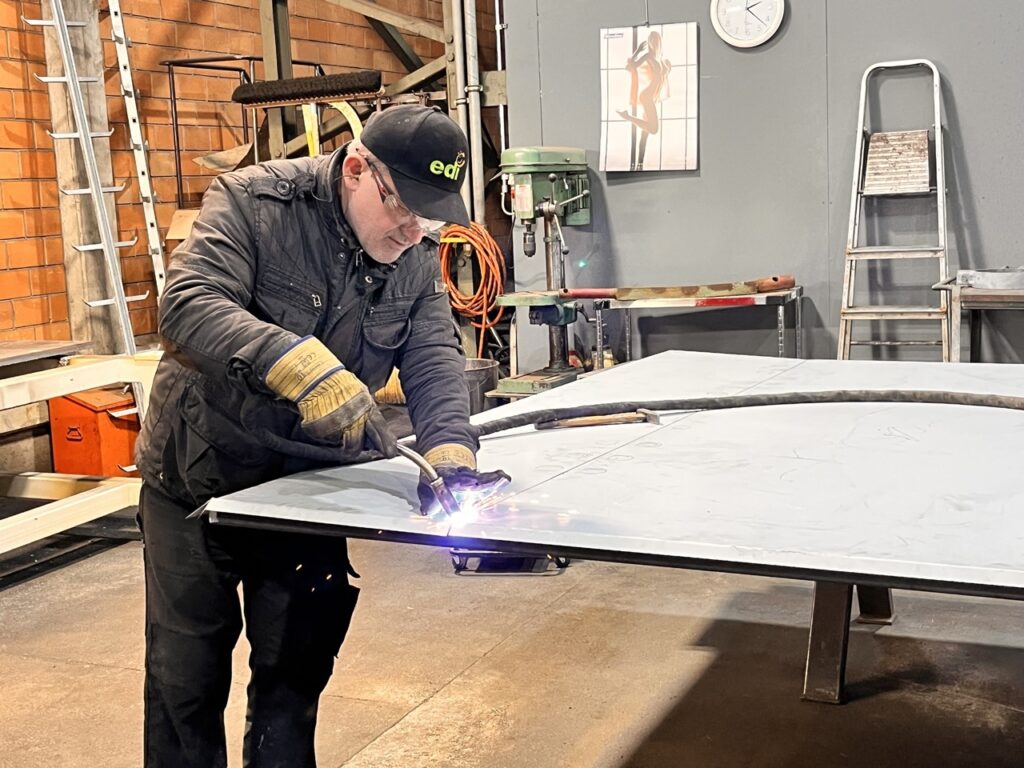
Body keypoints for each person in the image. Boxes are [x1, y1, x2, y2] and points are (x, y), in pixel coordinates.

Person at [135, 104, 510, 768]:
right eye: (403, 208)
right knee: (186, 680)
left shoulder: (415, 251)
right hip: (202, 474)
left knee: (295, 673)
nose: (413, 231)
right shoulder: (254, 203)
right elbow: (188, 306)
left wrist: (451, 452)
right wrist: (298, 364)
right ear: (359, 169)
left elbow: (431, 355)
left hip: (308, 488)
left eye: (429, 218)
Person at [617, 29, 672, 170]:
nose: (652, 42)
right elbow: (630, 67)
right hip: (646, 96)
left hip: (651, 98)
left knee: (645, 133)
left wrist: (667, 67)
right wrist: (637, 52)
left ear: (659, 41)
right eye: (650, 40)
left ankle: (639, 165)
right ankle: (627, 117)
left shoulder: (661, 59)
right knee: (653, 129)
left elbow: (662, 78)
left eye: (655, 40)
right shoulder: (648, 56)